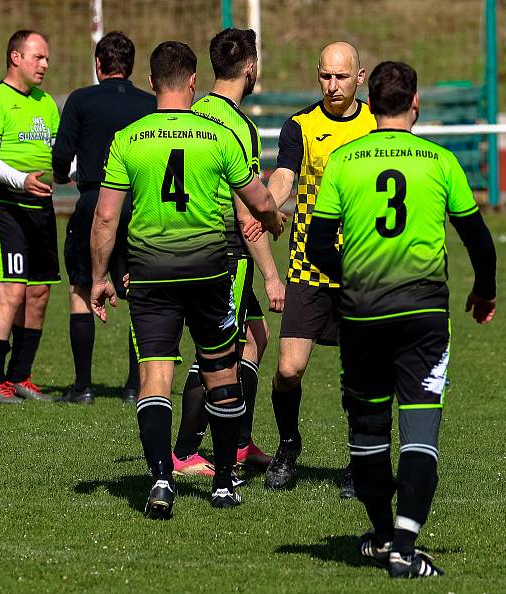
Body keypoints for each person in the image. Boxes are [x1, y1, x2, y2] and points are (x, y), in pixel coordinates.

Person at [305, 61, 497, 578]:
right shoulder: (439, 160)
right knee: (419, 430)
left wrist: (355, 280)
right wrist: (485, 291)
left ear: (370, 102)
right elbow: (478, 239)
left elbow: (319, 245)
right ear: (415, 104)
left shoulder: (345, 160)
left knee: (368, 431)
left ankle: (383, 534)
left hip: (362, 314)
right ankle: (405, 549)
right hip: (423, 315)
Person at [90, 41, 285, 518]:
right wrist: (274, 220)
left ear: (153, 82)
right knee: (221, 370)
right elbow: (257, 200)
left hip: (151, 276)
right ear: (194, 82)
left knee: (155, 377)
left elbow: (105, 219)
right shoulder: (219, 136)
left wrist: (99, 277)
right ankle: (222, 483)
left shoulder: (129, 139)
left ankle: (160, 480)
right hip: (210, 271)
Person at [260, 41, 376, 495]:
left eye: (341, 77)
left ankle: (359, 459)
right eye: (325, 76)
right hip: (309, 264)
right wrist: (270, 203)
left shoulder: (374, 126)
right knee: (289, 369)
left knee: (362, 373)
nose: (332, 85)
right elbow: (286, 174)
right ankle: (288, 447)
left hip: (362, 266)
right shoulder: (300, 126)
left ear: (359, 77)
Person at [171, 28, 285, 477]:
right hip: (226, 251)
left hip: (184, 241)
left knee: (256, 338)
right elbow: (248, 214)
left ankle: (239, 442)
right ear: (251, 68)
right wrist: (273, 275)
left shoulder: (194, 110)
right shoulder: (241, 128)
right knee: (217, 354)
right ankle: (184, 452)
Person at [52, 31, 155, 405]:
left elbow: (61, 158)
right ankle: (134, 387)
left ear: (99, 65)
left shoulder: (81, 99)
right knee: (139, 292)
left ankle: (83, 387)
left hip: (94, 199)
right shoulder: (150, 103)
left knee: (81, 287)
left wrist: (63, 175)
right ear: (131, 68)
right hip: (139, 203)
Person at [0, 30, 60, 404]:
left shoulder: (46, 103)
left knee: (38, 293)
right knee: (11, 291)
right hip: (5, 206)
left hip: (41, 208)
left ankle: (21, 376)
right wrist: (20, 180)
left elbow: (58, 155)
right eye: (38, 57)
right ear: (15, 57)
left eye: (45, 58)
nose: (45, 64)